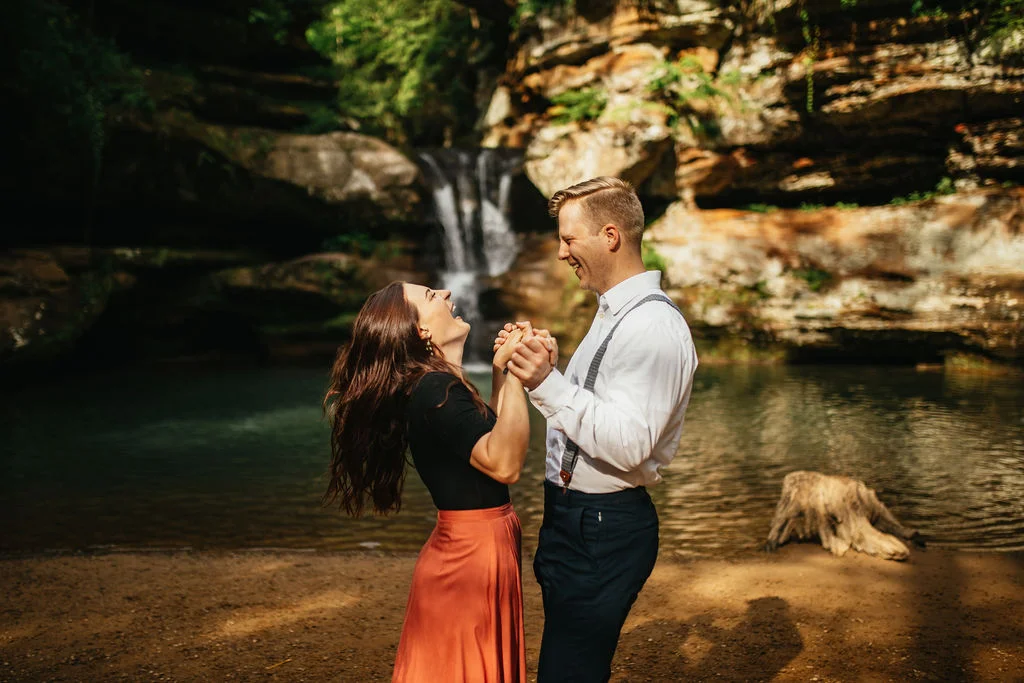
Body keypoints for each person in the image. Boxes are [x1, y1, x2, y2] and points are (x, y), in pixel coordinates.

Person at [496, 176, 699, 682]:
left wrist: (545, 381)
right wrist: (550, 369)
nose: (562, 252)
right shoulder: (614, 313)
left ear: (610, 236)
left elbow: (630, 445)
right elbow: (598, 409)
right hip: (575, 518)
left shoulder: (652, 326)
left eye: (569, 239)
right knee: (571, 664)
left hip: (604, 526)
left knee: (569, 670)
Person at [323, 281, 540, 683]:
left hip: (470, 549)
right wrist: (518, 376)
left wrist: (501, 368)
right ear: (421, 332)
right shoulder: (436, 389)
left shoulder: (440, 386)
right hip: (469, 559)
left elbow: (485, 438)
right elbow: (505, 464)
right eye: (429, 296)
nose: (443, 292)